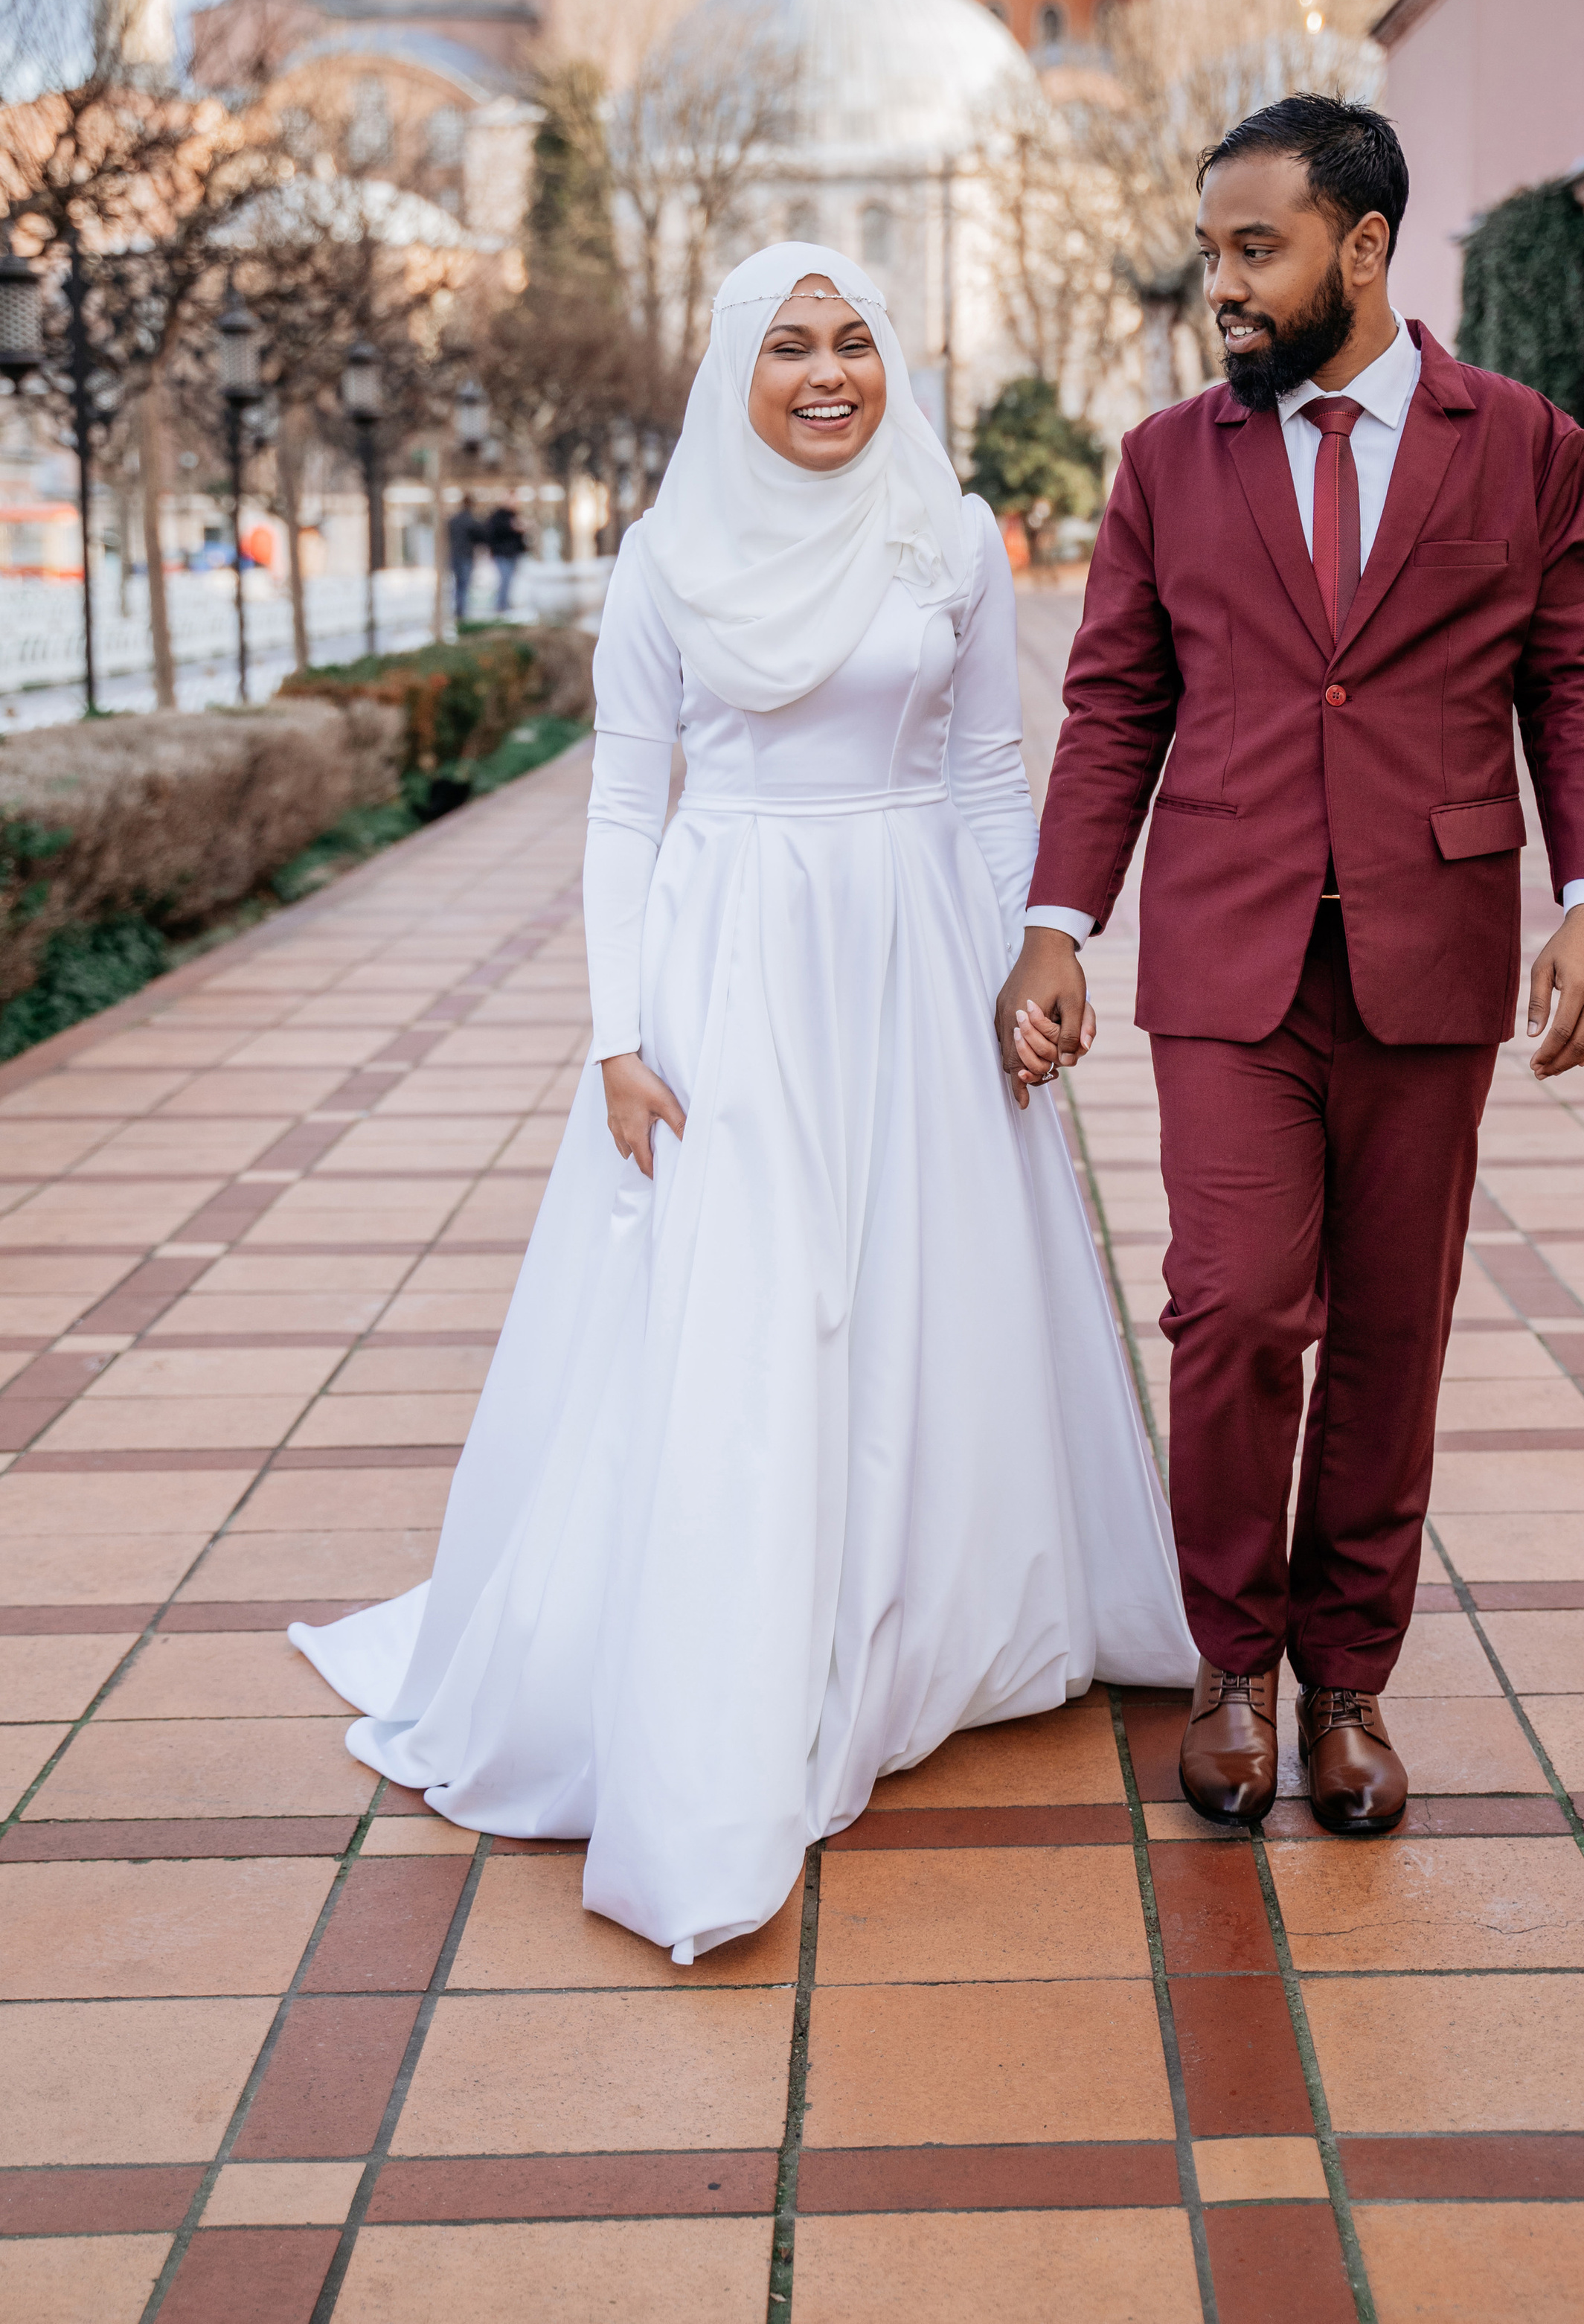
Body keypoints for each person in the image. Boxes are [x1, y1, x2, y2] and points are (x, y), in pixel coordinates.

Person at [291, 242, 1193, 1960]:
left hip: (916, 959)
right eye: (789, 344)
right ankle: (746, 1659)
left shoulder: (945, 534)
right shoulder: (664, 558)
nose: (828, 370)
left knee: (925, 1294)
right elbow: (626, 807)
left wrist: (1032, 951)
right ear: (735, 367)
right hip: (734, 972)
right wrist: (617, 1032)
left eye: (854, 339)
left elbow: (987, 768)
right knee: (759, 1305)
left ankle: (928, 1629)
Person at [998, 98, 1584, 1838]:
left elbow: (1573, 681)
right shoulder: (1163, 462)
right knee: (1231, 1307)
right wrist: (1055, 924)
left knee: (1388, 1329)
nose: (1221, 280)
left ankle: (1346, 1681)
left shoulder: (1517, 447)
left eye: (1252, 246)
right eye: (1209, 248)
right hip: (1226, 951)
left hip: (1426, 954)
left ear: (1359, 249)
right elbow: (1112, 702)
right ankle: (1229, 1661)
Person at [446, 496, 486, 623]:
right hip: (466, 556)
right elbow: (481, 536)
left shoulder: (453, 520)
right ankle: (461, 613)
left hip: (455, 555)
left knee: (458, 585)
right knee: (464, 585)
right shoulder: (471, 520)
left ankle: (459, 610)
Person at [485, 499, 528, 612]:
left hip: (513, 553)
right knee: (505, 579)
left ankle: (505, 604)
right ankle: (501, 606)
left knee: (509, 581)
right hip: (502, 553)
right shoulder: (498, 517)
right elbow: (493, 533)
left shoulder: (515, 516)